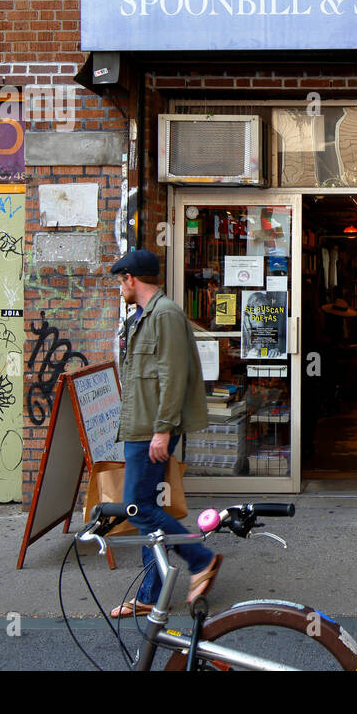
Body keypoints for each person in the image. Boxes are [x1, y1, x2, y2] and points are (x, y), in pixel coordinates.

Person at [109, 249, 221, 617]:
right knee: (147, 507)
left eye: (120, 280)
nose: (119, 287)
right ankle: (150, 594)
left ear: (131, 278)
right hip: (142, 425)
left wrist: (162, 431)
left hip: (151, 429)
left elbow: (173, 376)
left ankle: (199, 557)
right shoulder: (145, 315)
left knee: (137, 506)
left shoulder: (166, 314)